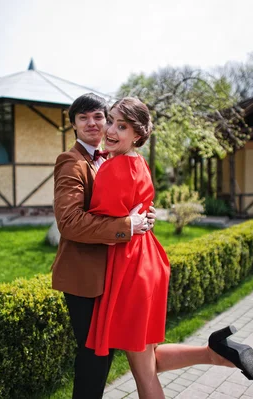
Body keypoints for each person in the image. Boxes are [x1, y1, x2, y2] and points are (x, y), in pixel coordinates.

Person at [85, 97, 253, 398]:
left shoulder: (112, 170)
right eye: (111, 121)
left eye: (122, 126)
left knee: (143, 374)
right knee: (147, 357)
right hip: (149, 261)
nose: (110, 130)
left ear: (138, 134)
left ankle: (216, 352)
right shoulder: (139, 163)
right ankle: (216, 352)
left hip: (130, 269)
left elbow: (97, 227)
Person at [51, 93, 156, 399]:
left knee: (104, 355)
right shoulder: (71, 162)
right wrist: (127, 226)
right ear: (73, 126)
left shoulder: (110, 159)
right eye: (83, 118)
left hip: (110, 274)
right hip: (84, 277)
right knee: (94, 358)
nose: (94, 124)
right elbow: (69, 222)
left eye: (100, 116)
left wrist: (145, 215)